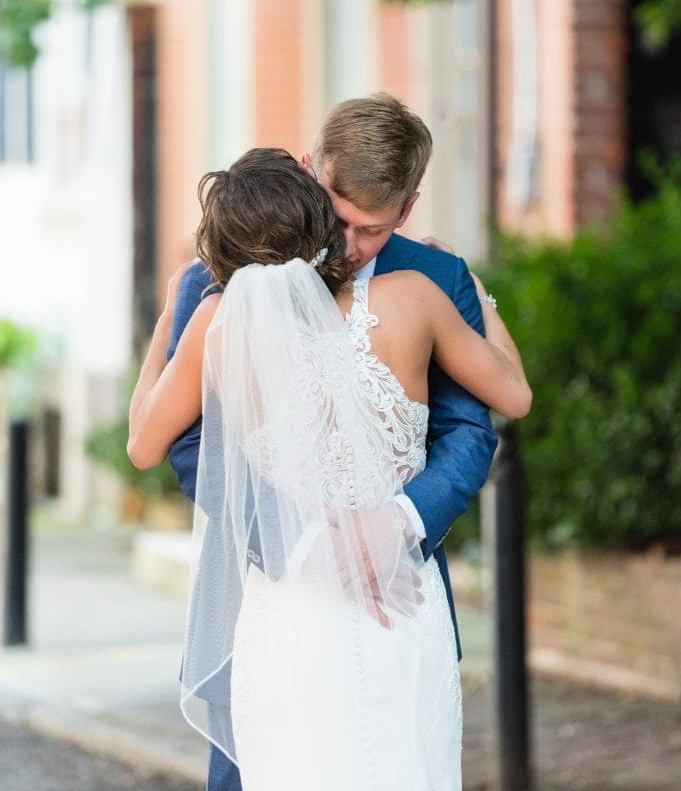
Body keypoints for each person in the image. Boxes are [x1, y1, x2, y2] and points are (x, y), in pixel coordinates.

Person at [128, 147, 531, 791]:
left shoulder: (214, 318)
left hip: (291, 618)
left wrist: (161, 337)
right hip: (398, 603)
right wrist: (484, 302)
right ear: (320, 209)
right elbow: (515, 396)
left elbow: (146, 444)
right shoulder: (418, 298)